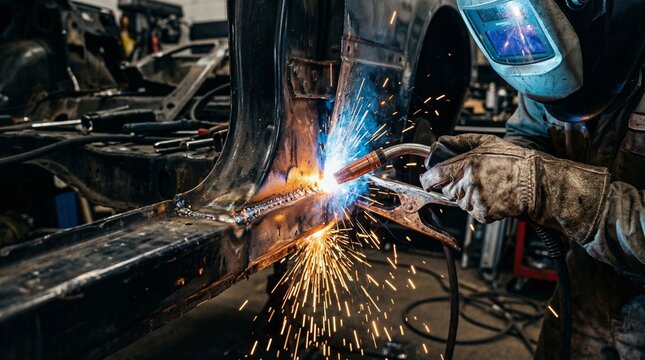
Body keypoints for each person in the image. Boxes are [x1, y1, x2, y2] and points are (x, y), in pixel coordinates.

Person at [419, 1, 645, 358]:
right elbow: (528, 135)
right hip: (582, 284)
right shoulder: (540, 43)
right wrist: (494, 161)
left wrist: (544, 187)